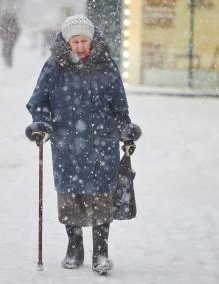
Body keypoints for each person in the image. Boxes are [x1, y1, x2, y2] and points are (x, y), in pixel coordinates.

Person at [25, 15, 141, 275]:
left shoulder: (106, 65)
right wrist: (41, 124)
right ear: (67, 43)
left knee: (102, 197)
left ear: (91, 40)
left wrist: (125, 127)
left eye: (84, 41)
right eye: (75, 41)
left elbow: (119, 104)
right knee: (69, 197)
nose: (79, 46)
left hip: (102, 142)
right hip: (67, 144)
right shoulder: (55, 66)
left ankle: (101, 252)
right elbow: (39, 101)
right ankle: (74, 246)